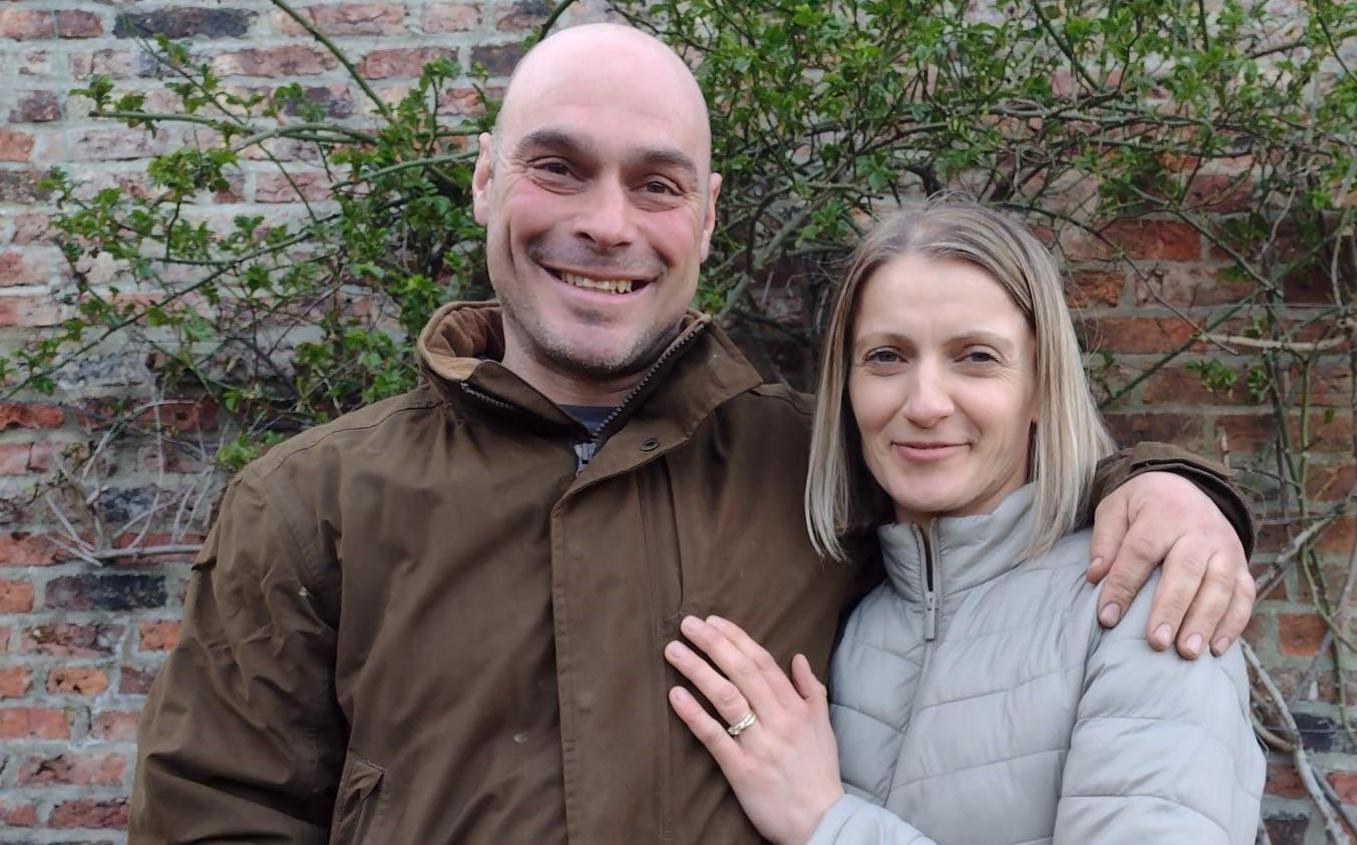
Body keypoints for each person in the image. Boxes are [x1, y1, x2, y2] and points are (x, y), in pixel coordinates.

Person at [128, 24, 1257, 843]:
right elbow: (216, 817)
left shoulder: (806, 467)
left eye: (655, 184)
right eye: (558, 167)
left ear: (705, 215)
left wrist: (1164, 484)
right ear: (484, 181)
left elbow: (986, 473)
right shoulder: (311, 501)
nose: (606, 223)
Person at [665, 199, 1265, 844]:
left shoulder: (1141, 598)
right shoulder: (847, 605)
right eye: (887, 357)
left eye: (976, 356)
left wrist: (827, 823)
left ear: (1039, 384)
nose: (924, 403)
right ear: (845, 389)